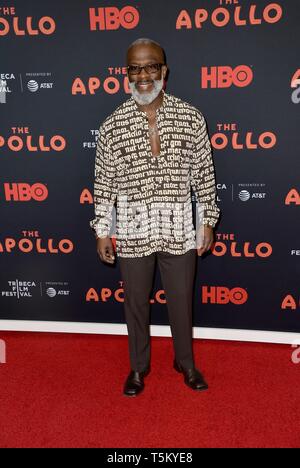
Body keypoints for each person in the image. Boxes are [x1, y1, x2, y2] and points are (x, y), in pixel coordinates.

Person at [90, 38, 220, 397]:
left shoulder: (191, 117)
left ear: (164, 70)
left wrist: (206, 219)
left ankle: (186, 362)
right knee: (135, 302)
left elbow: (204, 175)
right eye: (135, 68)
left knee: (181, 298)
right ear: (126, 74)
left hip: (179, 223)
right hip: (132, 225)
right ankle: (138, 366)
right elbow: (104, 182)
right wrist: (103, 230)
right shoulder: (112, 124)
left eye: (150, 66)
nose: (143, 74)